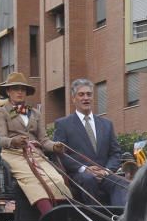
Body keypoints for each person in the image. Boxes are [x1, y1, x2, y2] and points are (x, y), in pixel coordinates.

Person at [0, 71, 70, 215]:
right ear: (8, 91)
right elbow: (2, 140)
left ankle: (63, 217)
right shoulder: (2, 112)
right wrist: (14, 141)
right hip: (14, 155)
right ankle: (49, 218)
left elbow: (44, 140)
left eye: (23, 89)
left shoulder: (35, 113)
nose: (20, 92)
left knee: (57, 179)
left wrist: (55, 146)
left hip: (36, 154)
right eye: (16, 88)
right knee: (33, 182)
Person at [53, 78, 125, 207]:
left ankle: (120, 220)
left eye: (89, 94)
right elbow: (61, 155)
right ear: (73, 99)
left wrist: (106, 171)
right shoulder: (63, 124)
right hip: (79, 175)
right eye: (81, 94)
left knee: (123, 183)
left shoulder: (107, 124)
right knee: (89, 179)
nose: (86, 98)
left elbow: (115, 153)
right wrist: (84, 169)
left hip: (104, 174)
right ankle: (98, 220)